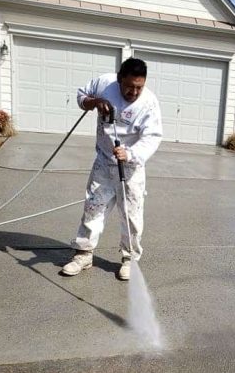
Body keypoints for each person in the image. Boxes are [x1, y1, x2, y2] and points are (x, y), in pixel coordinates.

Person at [62, 58, 162, 281]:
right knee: (93, 208)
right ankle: (84, 254)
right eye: (129, 86)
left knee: (131, 215)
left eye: (139, 87)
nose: (134, 92)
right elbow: (81, 96)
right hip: (104, 162)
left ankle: (130, 259)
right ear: (119, 79)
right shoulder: (104, 84)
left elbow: (152, 137)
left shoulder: (148, 103)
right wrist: (94, 101)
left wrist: (131, 154)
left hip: (131, 168)